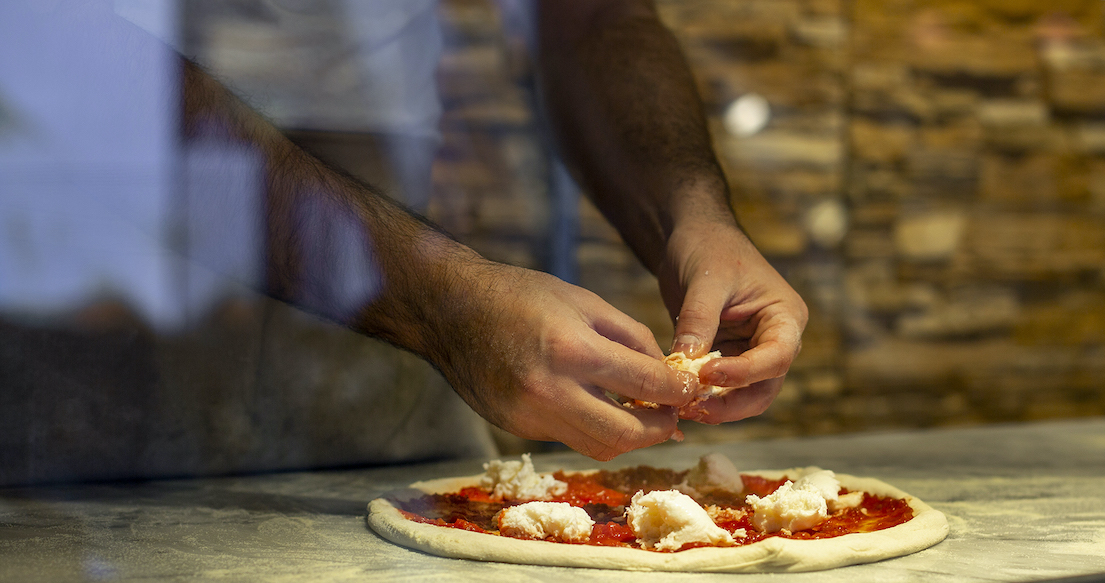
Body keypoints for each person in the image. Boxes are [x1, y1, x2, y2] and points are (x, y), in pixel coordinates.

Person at [0, 0, 807, 481]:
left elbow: (591, 15)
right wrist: (444, 301)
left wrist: (695, 216)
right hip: (76, 280)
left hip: (381, 290)